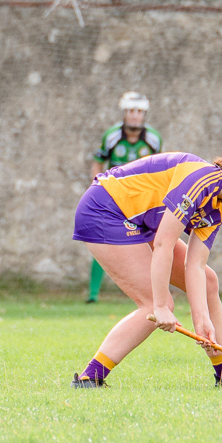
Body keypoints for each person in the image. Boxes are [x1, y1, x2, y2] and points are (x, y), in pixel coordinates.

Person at [71, 149, 222, 388]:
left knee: (208, 281)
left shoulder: (217, 208)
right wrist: (162, 306)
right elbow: (164, 242)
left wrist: (201, 319)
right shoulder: (202, 179)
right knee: (153, 305)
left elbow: (195, 265)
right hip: (104, 209)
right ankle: (89, 378)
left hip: (137, 218)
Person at [86, 91, 164, 303]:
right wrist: (96, 186)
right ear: (124, 112)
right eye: (130, 111)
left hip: (142, 199)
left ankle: (154, 292)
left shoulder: (153, 139)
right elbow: (98, 159)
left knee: (152, 242)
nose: (134, 115)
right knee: (102, 241)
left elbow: (159, 168)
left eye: (139, 111)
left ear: (144, 114)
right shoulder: (111, 136)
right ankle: (93, 295)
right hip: (114, 198)